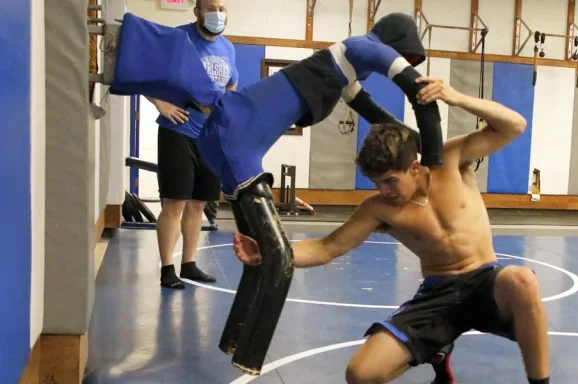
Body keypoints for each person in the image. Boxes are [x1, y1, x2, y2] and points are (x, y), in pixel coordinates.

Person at [231, 76, 550, 384]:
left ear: (414, 167)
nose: (384, 191)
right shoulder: (379, 208)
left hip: (485, 281)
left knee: (522, 281)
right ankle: (435, 349)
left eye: (390, 181)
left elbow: (515, 125)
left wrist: (456, 97)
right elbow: (328, 248)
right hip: (438, 294)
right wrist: (269, 252)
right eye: (376, 183)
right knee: (361, 374)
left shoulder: (453, 160)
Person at [147, 0, 239, 289]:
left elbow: (231, 85)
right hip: (178, 130)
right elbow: (146, 72)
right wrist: (160, 104)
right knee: (176, 201)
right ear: (197, 11)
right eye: (211, 8)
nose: (217, 14)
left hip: (209, 135)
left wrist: (224, 115)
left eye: (222, 8)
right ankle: (167, 269)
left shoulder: (228, 48)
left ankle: (189, 264)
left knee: (199, 203)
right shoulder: (179, 38)